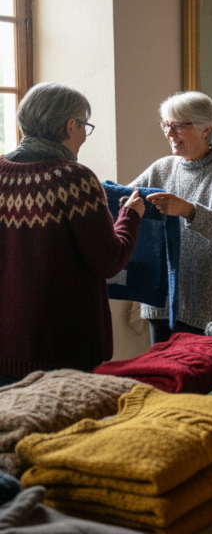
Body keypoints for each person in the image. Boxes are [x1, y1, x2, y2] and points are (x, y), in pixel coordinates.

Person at [0, 82, 144, 383]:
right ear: (70, 125)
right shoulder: (74, 180)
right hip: (62, 345)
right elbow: (109, 261)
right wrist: (131, 214)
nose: (84, 137)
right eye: (85, 126)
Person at [131, 91, 212, 343]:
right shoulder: (161, 168)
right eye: (166, 125)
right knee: (162, 377)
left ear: (205, 129)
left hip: (210, 300)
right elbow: (123, 199)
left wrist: (189, 210)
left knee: (207, 379)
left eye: (178, 126)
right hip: (162, 297)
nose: (168, 133)